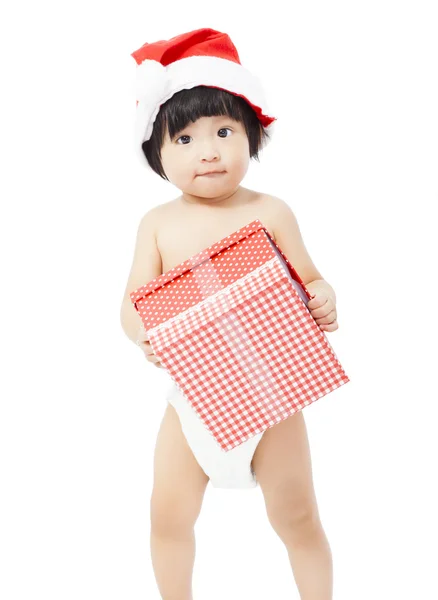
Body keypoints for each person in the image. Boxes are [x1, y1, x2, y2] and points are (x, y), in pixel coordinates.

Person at [120, 27, 339, 600]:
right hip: (194, 396)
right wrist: (145, 333)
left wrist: (321, 297)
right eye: (186, 139)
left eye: (224, 131)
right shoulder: (159, 224)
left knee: (297, 517)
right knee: (167, 516)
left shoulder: (271, 212)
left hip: (273, 393)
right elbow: (132, 302)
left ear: (252, 137)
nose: (209, 150)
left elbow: (310, 277)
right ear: (157, 154)